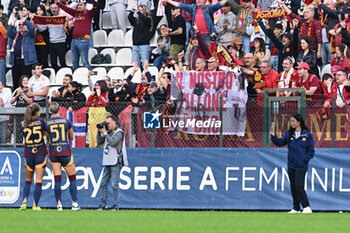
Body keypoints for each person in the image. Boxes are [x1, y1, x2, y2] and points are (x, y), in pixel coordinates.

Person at [270, 113, 314, 214]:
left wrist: (305, 159)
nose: (291, 123)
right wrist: (273, 136)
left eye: (293, 121)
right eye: (291, 121)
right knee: (293, 186)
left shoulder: (307, 134)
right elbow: (280, 142)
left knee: (299, 185)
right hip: (291, 165)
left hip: (301, 165)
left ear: (298, 122)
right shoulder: (288, 134)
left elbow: (311, 151)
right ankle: (296, 208)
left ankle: (306, 207)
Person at [45, 102, 80, 211]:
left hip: (54, 154)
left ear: (50, 110)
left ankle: (59, 204)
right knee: (72, 179)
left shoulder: (47, 124)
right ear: (59, 109)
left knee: (57, 180)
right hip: (66, 153)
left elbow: (48, 138)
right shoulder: (66, 122)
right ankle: (74, 204)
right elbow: (72, 137)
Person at [19, 103, 47, 211]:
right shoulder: (41, 122)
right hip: (40, 153)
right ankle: (35, 205)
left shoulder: (23, 124)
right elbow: (44, 133)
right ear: (37, 113)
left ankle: (24, 202)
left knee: (27, 180)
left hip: (28, 154)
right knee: (38, 181)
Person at [97, 115, 128, 211]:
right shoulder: (107, 132)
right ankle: (103, 204)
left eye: (108, 123)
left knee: (114, 184)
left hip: (115, 161)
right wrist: (99, 132)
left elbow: (113, 143)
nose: (107, 125)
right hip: (107, 160)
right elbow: (99, 142)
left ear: (114, 123)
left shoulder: (119, 133)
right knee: (103, 183)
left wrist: (105, 133)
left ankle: (115, 205)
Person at [57, 0, 98, 71]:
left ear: (85, 6)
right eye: (78, 5)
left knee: (85, 61)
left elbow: (95, 9)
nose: (79, 6)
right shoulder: (76, 13)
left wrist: (95, 3)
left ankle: (87, 77)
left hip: (84, 40)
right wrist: (58, 3)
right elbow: (67, 9)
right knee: (74, 62)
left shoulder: (89, 14)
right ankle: (75, 78)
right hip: (74, 40)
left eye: (81, 5)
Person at [7, 10, 37, 91]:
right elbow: (9, 33)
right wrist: (13, 23)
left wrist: (24, 19)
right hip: (15, 61)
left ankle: (27, 99)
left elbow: (32, 27)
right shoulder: (16, 34)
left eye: (23, 25)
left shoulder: (29, 34)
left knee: (27, 82)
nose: (21, 26)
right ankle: (17, 99)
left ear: (26, 26)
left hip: (26, 62)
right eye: (19, 25)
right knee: (16, 81)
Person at [128, 3, 152, 69]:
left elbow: (144, 19)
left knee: (145, 65)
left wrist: (138, 11)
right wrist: (133, 10)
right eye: (139, 10)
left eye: (141, 10)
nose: (139, 12)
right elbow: (130, 18)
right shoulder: (137, 20)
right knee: (136, 65)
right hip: (135, 44)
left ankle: (146, 77)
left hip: (144, 44)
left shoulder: (148, 19)